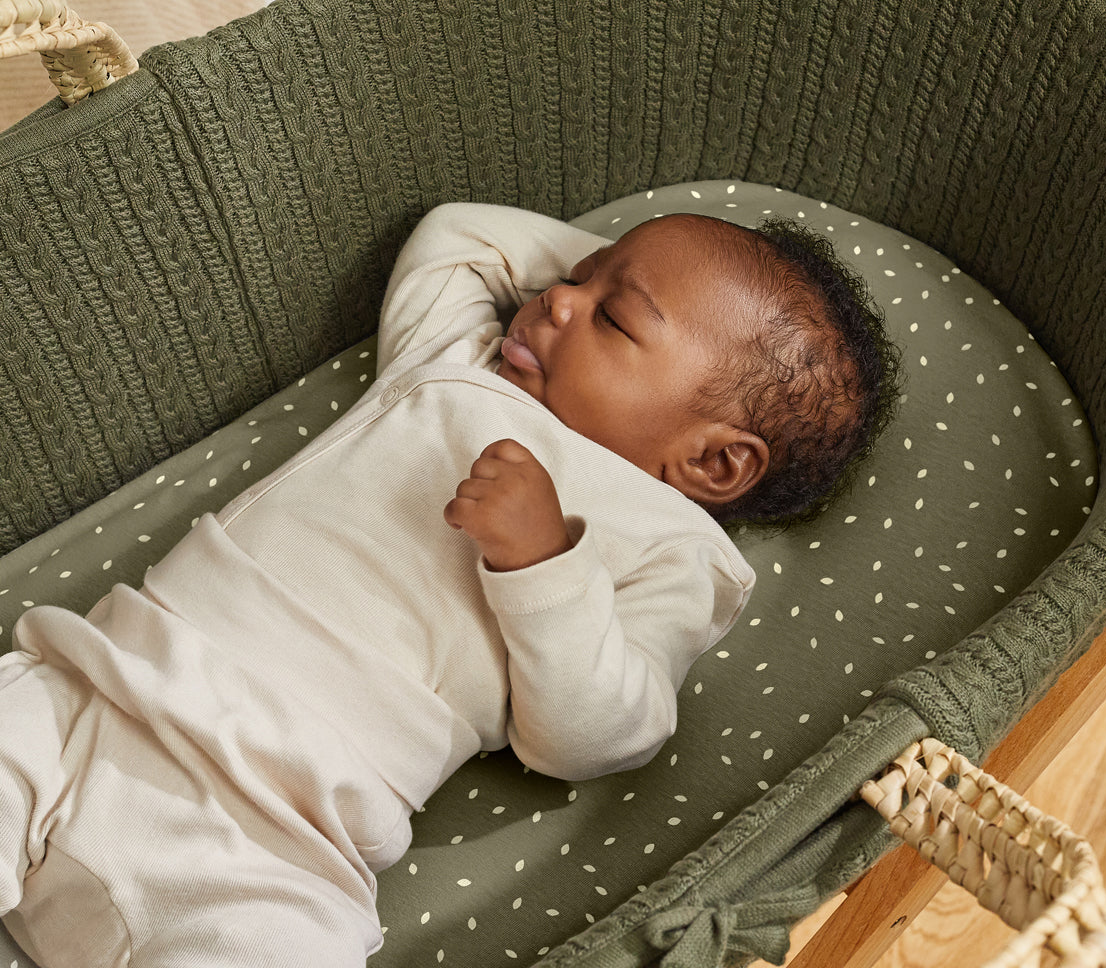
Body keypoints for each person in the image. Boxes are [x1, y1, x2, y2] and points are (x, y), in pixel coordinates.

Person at [0, 202, 898, 968]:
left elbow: (602, 734)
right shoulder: (458, 360)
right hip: (87, 698)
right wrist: (626, 271)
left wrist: (546, 565)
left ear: (713, 460)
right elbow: (458, 236)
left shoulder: (673, 549)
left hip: (273, 840)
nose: (555, 297)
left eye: (615, 320)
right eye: (574, 274)